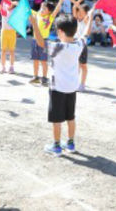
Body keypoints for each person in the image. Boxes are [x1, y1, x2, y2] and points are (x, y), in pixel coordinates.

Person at [30, 13, 85, 156]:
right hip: (72, 88)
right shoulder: (79, 44)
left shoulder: (58, 47)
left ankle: (56, 146)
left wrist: (34, 24)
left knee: (56, 120)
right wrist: (88, 19)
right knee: (70, 117)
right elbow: (84, 35)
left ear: (60, 31)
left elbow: (40, 42)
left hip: (57, 88)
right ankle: (71, 143)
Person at [29, 0, 65, 86]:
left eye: (44, 8)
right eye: (41, 7)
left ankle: (44, 78)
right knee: (35, 60)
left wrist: (60, 1)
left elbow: (56, 10)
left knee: (43, 61)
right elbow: (26, 8)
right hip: (34, 40)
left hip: (44, 41)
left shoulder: (50, 17)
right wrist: (20, 0)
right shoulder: (36, 14)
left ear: (49, 11)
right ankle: (35, 76)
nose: (42, 9)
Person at [70, 0, 94, 92]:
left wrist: (78, 1)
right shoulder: (77, 19)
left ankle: (82, 84)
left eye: (81, 12)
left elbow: (83, 12)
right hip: (74, 43)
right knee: (76, 65)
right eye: (78, 12)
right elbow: (74, 8)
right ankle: (75, 83)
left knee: (83, 65)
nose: (78, 13)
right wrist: (77, 1)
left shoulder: (86, 20)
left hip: (82, 43)